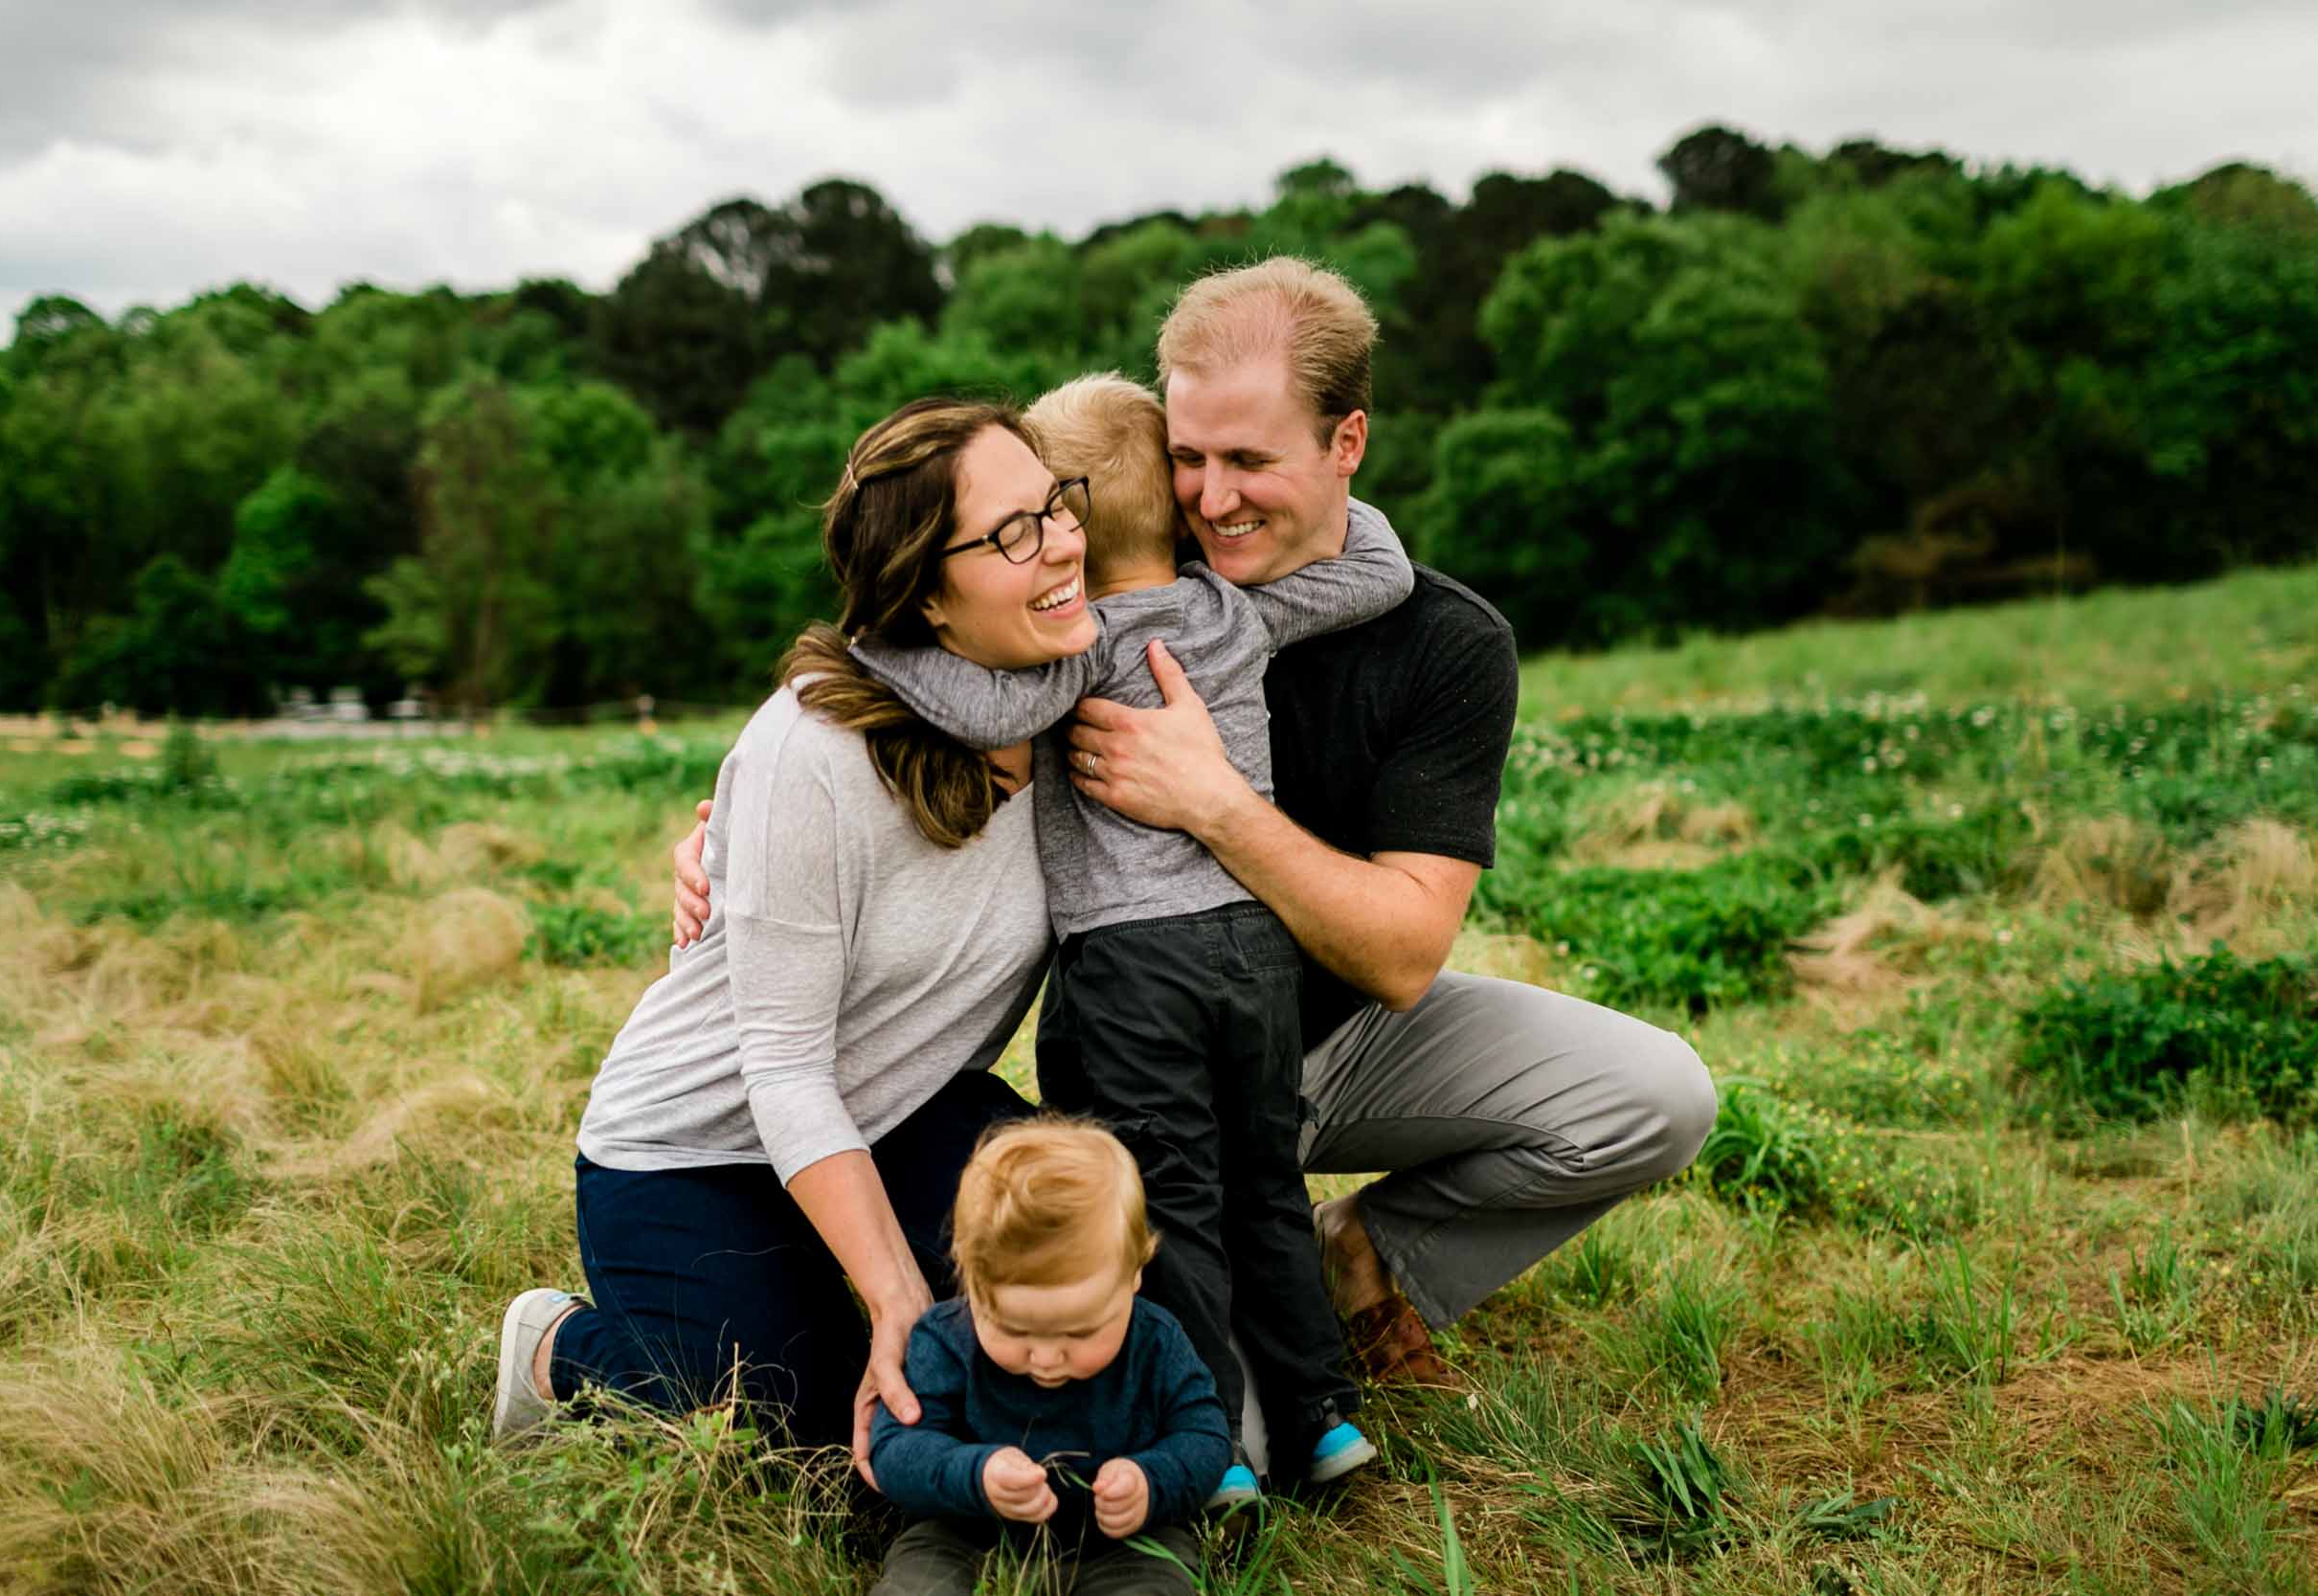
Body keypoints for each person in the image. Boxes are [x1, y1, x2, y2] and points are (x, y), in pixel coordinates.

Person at [672, 258, 1718, 1405]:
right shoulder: (1085, 608)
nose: (1212, 497)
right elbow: (925, 631)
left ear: (1346, 443)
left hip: (1334, 1039)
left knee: (1655, 1092)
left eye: (1251, 461)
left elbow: (1406, 953)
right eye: (1188, 456)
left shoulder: (1447, 644)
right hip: (1144, 1055)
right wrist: (743, 838)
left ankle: (1363, 1255)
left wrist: (1213, 801)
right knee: (1197, 1411)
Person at [493, 397, 1105, 1466]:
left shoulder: (1080, 689)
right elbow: (779, 1062)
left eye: (1056, 503)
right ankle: (559, 1348)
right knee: (795, 1421)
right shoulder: (811, 752)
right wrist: (895, 1290)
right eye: (1013, 532)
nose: (1060, 543)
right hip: (698, 1143)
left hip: (903, 1105)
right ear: (925, 593)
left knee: (1043, 1305)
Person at [852, 371, 1404, 1502]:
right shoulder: (1233, 611)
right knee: (1265, 1187)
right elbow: (1378, 572)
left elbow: (977, 709)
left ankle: (1216, 1451)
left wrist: (870, 644)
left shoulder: (1074, 646)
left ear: (1073, 522)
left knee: (1170, 1202)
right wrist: (1352, 491)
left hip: (1133, 964)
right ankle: (1323, 1420)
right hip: (1257, 951)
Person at [867, 1117, 1229, 1596]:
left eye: (1080, 1332)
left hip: (1120, 1543)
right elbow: (894, 1450)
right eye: (1014, 1330)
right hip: (965, 1533)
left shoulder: (1156, 1342)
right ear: (972, 1285)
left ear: (1134, 1276)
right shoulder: (945, 1340)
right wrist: (976, 1474)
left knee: (1159, 1584)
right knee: (917, 1584)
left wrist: (1149, 1480)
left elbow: (1204, 1434)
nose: (1045, 1357)